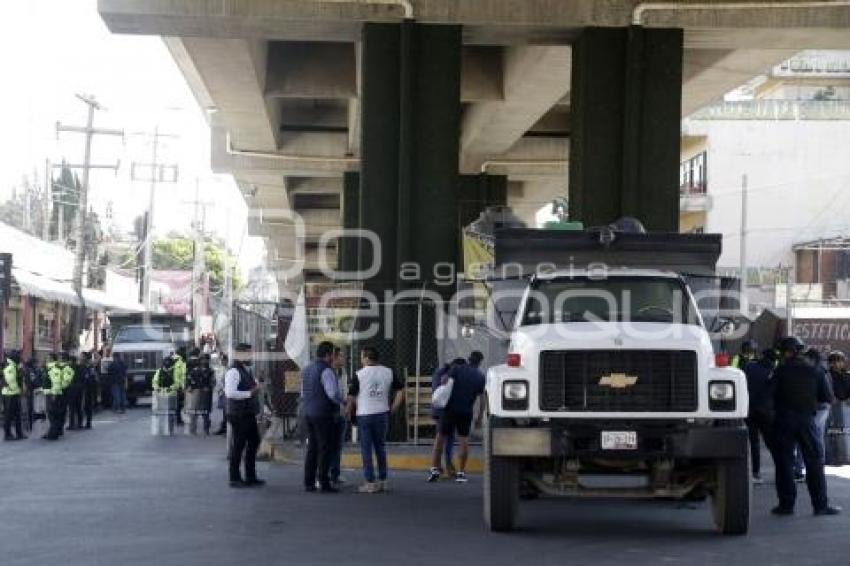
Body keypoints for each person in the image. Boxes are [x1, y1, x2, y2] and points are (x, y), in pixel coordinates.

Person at [770, 336, 840, 516]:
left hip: (784, 421)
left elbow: (768, 395)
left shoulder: (780, 370)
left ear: (787, 352)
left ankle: (786, 506)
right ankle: (820, 506)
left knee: (784, 463)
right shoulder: (815, 370)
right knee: (815, 462)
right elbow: (827, 397)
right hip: (807, 421)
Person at [346, 347, 404, 493]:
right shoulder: (388, 372)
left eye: (361, 356)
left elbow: (351, 397)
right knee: (380, 447)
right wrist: (394, 406)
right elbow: (401, 390)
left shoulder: (359, 374)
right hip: (382, 413)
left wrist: (347, 412)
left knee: (366, 449)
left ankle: (370, 482)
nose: (361, 359)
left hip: (364, 415)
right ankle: (383, 480)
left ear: (366, 357)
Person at [428, 351, 486, 484]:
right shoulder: (480, 376)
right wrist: (478, 418)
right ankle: (461, 472)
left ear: (468, 359)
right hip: (466, 412)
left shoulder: (457, 368)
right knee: (463, 441)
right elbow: (482, 399)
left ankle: (434, 470)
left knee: (440, 439)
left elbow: (443, 380)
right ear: (480, 362)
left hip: (449, 410)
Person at [301, 341, 344, 493]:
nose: (334, 356)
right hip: (324, 414)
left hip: (308, 413)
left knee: (312, 448)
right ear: (328, 355)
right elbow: (332, 393)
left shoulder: (306, 369)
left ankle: (309, 482)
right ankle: (324, 482)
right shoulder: (326, 371)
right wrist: (343, 401)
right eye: (333, 353)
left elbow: (303, 393)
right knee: (325, 448)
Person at [225, 343, 264, 488]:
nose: (251, 356)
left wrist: (258, 382)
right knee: (239, 445)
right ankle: (234, 477)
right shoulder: (233, 372)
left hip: (247, 413)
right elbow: (230, 393)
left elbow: (253, 387)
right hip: (238, 414)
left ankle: (250, 475)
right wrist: (250, 393)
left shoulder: (245, 370)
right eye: (249, 354)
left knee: (254, 441)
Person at [743, 349, 776, 483]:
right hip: (766, 412)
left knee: (753, 443)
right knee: (772, 442)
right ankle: (783, 469)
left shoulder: (749, 366)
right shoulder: (773, 372)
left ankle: (755, 473)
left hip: (749, 410)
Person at [430, 358, 467, 478]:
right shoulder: (447, 375)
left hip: (439, 411)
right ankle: (447, 466)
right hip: (445, 412)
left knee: (442, 439)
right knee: (447, 440)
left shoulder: (440, 372)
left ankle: (439, 466)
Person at [329, 346, 348, 488]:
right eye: (341, 356)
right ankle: (325, 474)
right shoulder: (328, 372)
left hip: (341, 412)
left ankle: (335, 474)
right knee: (328, 445)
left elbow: (345, 392)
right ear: (333, 357)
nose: (343, 358)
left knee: (338, 446)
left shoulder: (343, 372)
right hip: (329, 414)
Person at [186, 353, 215, 435]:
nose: (205, 361)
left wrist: (209, 387)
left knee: (205, 413)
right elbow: (189, 380)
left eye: (206, 359)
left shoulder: (210, 371)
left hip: (206, 395)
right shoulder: (194, 370)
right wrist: (189, 386)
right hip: (195, 394)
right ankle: (192, 430)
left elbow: (213, 382)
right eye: (203, 359)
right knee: (193, 413)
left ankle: (206, 430)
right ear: (200, 360)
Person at [2, 350, 26, 441]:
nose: (20, 358)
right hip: (9, 394)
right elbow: (11, 380)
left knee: (17, 414)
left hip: (14, 393)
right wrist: (18, 390)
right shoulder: (10, 366)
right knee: (8, 415)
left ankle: (19, 433)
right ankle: (7, 434)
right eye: (18, 356)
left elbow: (19, 377)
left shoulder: (14, 365)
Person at [66, 354, 85, 431]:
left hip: (72, 389)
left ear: (70, 361)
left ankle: (72, 424)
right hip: (80, 388)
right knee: (78, 406)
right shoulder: (80, 367)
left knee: (72, 407)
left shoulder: (69, 368)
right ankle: (80, 423)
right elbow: (83, 378)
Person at [82, 352, 99, 429]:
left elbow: (98, 359)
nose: (81, 357)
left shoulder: (89, 365)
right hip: (88, 387)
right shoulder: (86, 365)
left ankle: (88, 423)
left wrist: (94, 352)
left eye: (82, 356)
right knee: (86, 406)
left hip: (89, 388)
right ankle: (86, 422)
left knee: (87, 406)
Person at [213, 352, 229, 435]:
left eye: (224, 360)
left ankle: (225, 428)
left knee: (226, 410)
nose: (222, 361)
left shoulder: (227, 369)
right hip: (222, 392)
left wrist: (222, 388)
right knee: (224, 410)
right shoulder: (220, 369)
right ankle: (224, 427)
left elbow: (222, 380)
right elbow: (218, 380)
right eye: (222, 360)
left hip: (226, 391)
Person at [172, 348, 188, 425]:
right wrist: (183, 387)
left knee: (174, 404)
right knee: (179, 404)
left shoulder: (172, 360)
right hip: (178, 387)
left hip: (172, 386)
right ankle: (178, 420)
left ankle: (175, 419)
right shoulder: (182, 363)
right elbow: (183, 376)